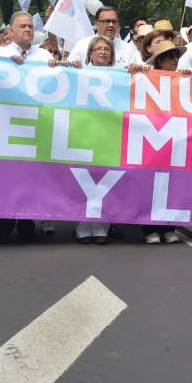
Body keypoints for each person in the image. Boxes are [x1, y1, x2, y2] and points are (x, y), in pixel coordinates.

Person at [71, 36, 120, 244]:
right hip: (85, 131)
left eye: (106, 49)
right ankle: (82, 225)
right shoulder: (79, 72)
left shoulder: (121, 75)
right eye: (98, 49)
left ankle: (101, 225)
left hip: (110, 133)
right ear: (90, 53)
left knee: (106, 179)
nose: (102, 52)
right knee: (85, 179)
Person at [68, 6, 139, 67]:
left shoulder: (128, 49)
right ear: (96, 24)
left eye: (114, 21)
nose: (111, 25)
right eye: (107, 21)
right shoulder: (82, 45)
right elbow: (70, 69)